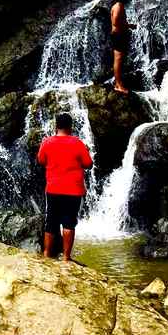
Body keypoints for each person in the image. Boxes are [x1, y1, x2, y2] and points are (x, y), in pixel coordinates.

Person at [37, 112, 94, 261]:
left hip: (53, 189)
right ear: (70, 127)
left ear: (56, 126)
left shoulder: (47, 142)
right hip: (73, 190)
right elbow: (88, 164)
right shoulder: (77, 143)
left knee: (51, 221)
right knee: (69, 222)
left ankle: (46, 254)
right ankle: (66, 258)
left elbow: (41, 160)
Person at [110, 0, 136, 95]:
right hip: (118, 35)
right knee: (118, 59)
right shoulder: (119, 6)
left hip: (118, 35)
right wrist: (129, 25)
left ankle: (118, 83)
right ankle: (119, 85)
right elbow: (116, 22)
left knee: (119, 59)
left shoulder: (116, 6)